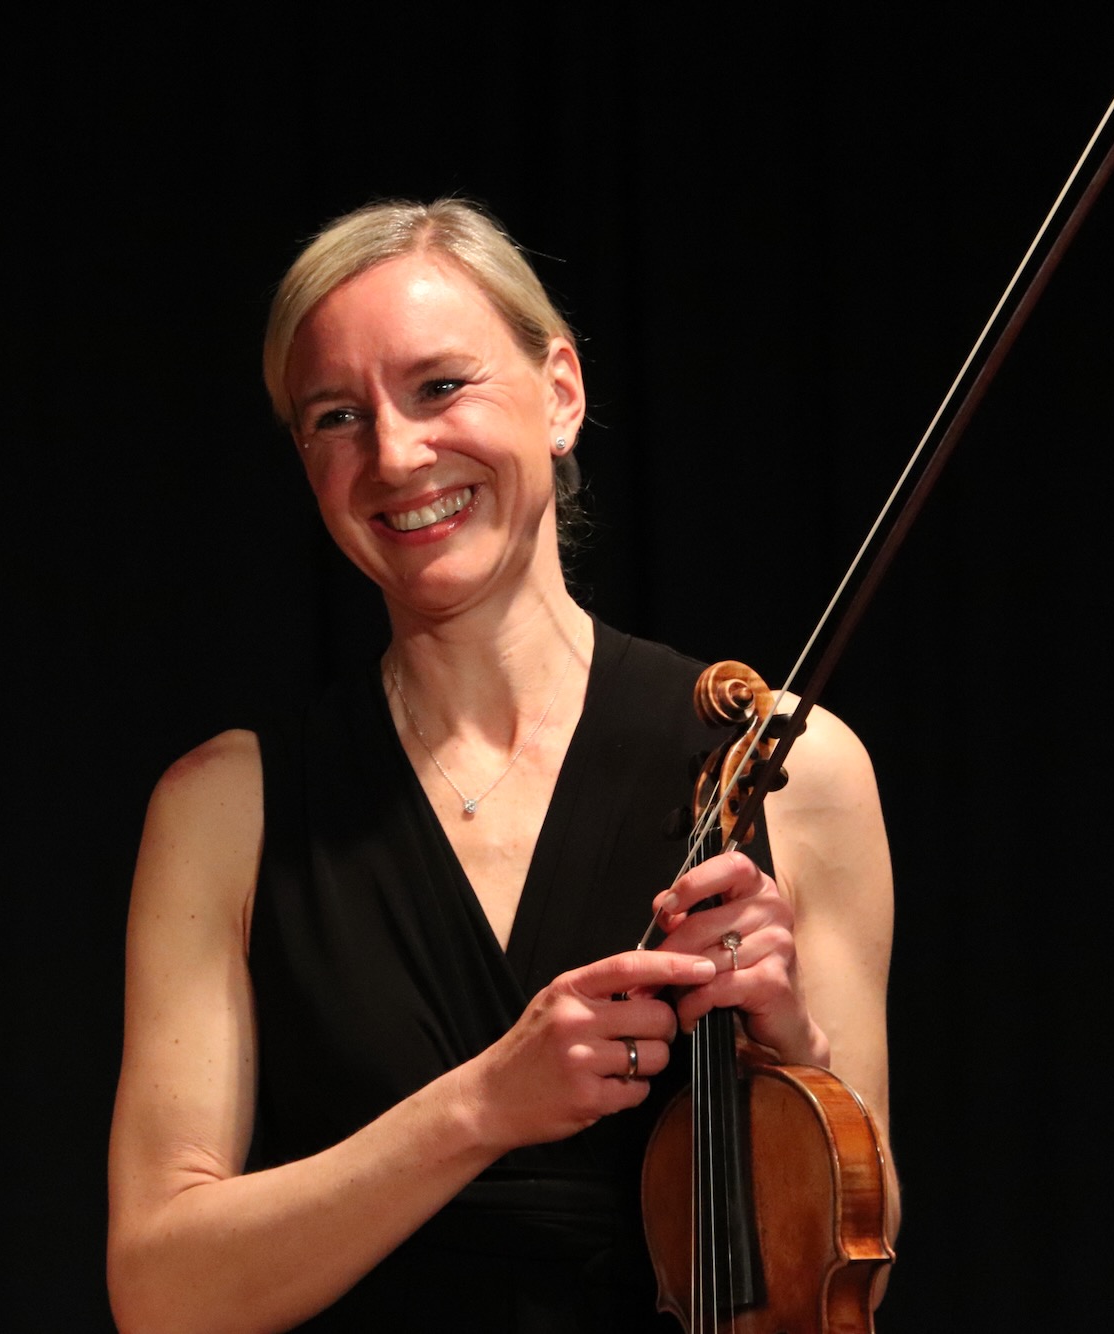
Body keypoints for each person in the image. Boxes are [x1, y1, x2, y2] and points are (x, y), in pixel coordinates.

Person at [106, 199, 896, 1333]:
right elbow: (159, 1292)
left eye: (439, 387)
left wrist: (791, 1048)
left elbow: (854, 1270)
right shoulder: (225, 808)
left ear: (560, 394)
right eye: (338, 416)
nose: (394, 454)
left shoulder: (791, 768)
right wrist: (481, 1104)